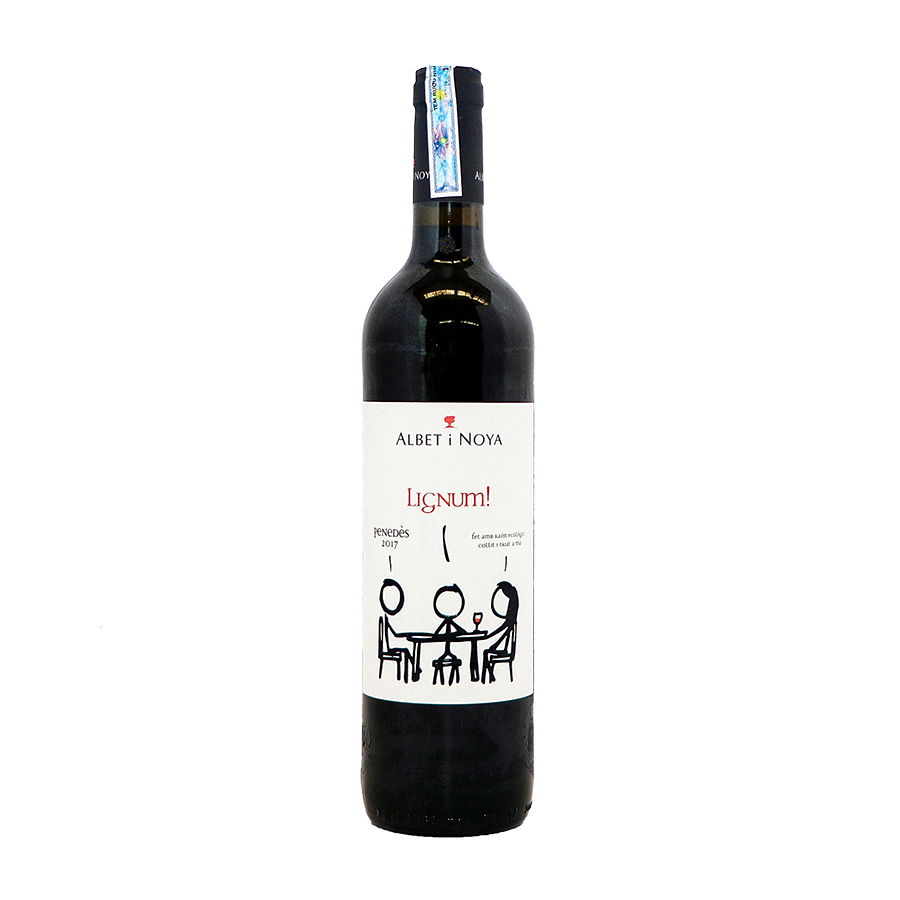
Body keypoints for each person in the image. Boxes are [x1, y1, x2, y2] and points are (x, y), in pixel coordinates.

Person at [481, 581, 519, 684]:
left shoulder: (511, 620)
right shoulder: (513, 604)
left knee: (486, 652)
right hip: (504, 647)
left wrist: (490, 636)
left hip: (506, 650)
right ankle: (489, 676)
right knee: (487, 652)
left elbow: (503, 630)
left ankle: (489, 677)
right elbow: (504, 631)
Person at [378, 578, 414, 682]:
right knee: (406, 650)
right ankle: (412, 671)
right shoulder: (385, 619)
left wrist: (404, 634)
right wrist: (403, 635)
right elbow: (394, 634)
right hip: (388, 648)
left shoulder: (385, 618)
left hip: (388, 645)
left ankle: (413, 669)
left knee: (406, 649)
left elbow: (394, 633)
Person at [431, 584, 466, 685]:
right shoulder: (445, 622)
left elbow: (462, 631)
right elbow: (436, 635)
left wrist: (450, 635)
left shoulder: (449, 622)